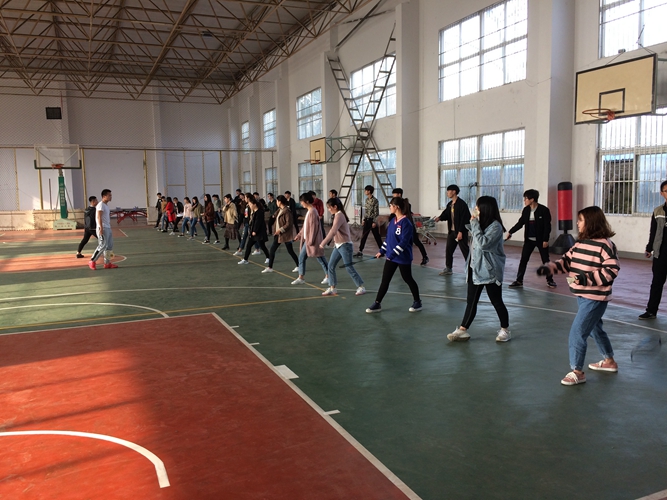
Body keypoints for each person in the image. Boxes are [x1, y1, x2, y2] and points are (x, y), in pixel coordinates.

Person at [537, 206, 620, 386]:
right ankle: (609, 361)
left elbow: (611, 271)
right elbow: (567, 261)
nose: (577, 223)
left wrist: (584, 278)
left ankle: (577, 371)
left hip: (595, 298)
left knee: (577, 332)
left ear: (591, 222)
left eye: (580, 220)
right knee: (595, 328)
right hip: (582, 296)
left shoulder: (605, 245)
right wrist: (551, 267)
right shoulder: (580, 243)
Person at [447, 196, 510, 342]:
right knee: (471, 301)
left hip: (490, 271)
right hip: (474, 268)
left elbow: (483, 244)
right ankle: (463, 329)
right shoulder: (480, 224)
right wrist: (473, 223)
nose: (475, 209)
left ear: (485, 208)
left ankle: (505, 329)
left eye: (478, 206)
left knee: (496, 301)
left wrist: (474, 224)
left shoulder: (496, 227)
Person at [365, 197, 421, 313]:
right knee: (385, 280)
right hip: (391, 257)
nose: (389, 207)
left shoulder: (406, 223)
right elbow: (388, 239)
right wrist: (382, 251)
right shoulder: (392, 222)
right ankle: (377, 303)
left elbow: (404, 242)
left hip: (402, 257)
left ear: (397, 207)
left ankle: (417, 301)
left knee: (408, 278)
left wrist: (392, 254)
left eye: (390, 205)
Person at [506, 189, 556, 289]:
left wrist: (545, 240)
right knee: (523, 260)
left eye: (526, 198)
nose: (524, 200)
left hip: (541, 240)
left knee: (546, 260)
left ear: (532, 199)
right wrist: (511, 232)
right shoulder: (526, 210)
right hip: (529, 240)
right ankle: (519, 280)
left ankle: (550, 280)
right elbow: (520, 223)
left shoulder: (544, 210)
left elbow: (547, 226)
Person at [320, 197, 365, 296]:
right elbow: (347, 227)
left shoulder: (339, 215)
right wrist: (354, 234)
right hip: (338, 245)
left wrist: (323, 243)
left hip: (345, 246)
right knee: (331, 266)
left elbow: (333, 231)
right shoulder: (338, 215)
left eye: (329, 207)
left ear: (335, 207)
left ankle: (361, 287)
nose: (329, 209)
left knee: (349, 267)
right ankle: (332, 288)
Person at [639, 180, 667, 319]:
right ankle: (651, 311)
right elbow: (653, 231)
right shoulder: (657, 211)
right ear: (662, 193)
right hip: (660, 254)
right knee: (656, 283)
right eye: (666, 191)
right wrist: (649, 248)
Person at [291, 192, 329, 285]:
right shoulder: (309, 211)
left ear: (307, 201)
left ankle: (328, 276)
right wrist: (299, 235)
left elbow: (313, 228)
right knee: (302, 257)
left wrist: (310, 241)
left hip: (312, 241)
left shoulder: (312, 212)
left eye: (302, 202)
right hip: (308, 240)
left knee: (320, 258)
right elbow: (305, 227)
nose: (301, 204)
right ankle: (301, 277)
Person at [435, 184, 470, 275]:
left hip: (460, 232)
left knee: (465, 250)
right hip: (452, 232)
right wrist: (440, 218)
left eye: (448, 191)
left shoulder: (462, 204)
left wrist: (461, 231)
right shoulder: (450, 204)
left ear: (454, 192)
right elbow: (446, 214)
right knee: (449, 250)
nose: (447, 193)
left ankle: (471, 269)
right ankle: (448, 268)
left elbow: (465, 219)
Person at [391, 188, 429, 267]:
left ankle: (425, 256)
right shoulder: (395, 204)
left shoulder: (405, 204)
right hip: (399, 225)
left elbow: (405, 213)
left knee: (416, 241)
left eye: (395, 194)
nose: (393, 195)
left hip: (408, 226)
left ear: (399, 194)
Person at [263, 195, 300, 273]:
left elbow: (288, 224)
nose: (276, 202)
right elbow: (275, 215)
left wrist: (280, 230)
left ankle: (299, 266)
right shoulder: (280, 209)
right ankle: (270, 267)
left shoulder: (287, 211)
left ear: (279, 202)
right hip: (278, 234)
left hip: (285, 234)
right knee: (273, 250)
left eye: (277, 201)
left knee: (290, 251)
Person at [88, 189, 117, 270]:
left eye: (111, 195)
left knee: (109, 246)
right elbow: (99, 217)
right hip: (103, 228)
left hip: (108, 227)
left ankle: (107, 263)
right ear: (104, 196)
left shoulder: (106, 205)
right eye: (109, 195)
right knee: (102, 245)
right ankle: (92, 261)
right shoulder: (101, 205)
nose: (111, 197)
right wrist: (101, 228)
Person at [238, 196, 271, 264]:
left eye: (250, 204)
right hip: (253, 232)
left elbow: (258, 222)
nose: (249, 206)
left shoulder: (259, 212)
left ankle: (268, 257)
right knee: (249, 245)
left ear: (254, 204)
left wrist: (255, 231)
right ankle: (245, 259)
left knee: (262, 246)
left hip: (259, 233)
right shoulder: (253, 212)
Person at [355, 185, 383, 257]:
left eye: (366, 190)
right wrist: (364, 220)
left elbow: (376, 212)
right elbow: (366, 211)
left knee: (377, 236)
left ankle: (382, 251)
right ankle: (360, 250)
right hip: (367, 220)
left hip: (372, 221)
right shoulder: (366, 200)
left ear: (369, 191)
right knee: (364, 236)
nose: (365, 192)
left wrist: (374, 222)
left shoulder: (375, 200)